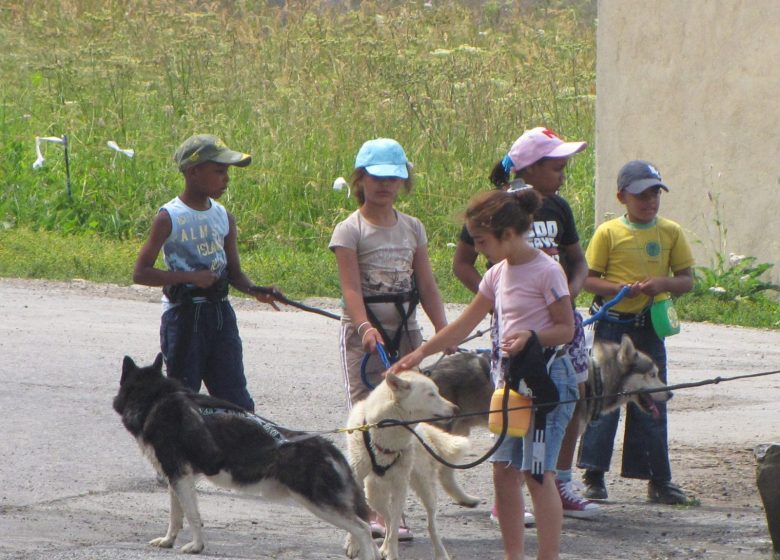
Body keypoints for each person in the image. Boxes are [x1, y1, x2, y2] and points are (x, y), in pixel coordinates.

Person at [393, 187, 576, 560]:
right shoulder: (496, 275)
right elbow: (464, 324)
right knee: (504, 470)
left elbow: (567, 328)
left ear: (508, 235)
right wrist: (420, 353)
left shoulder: (547, 271)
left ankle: (548, 556)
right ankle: (513, 555)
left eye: (481, 241)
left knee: (537, 474)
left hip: (546, 385)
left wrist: (532, 337)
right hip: (508, 385)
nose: (477, 249)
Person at [452, 126, 598, 520]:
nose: (563, 175)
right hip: (518, 330)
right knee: (516, 404)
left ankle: (557, 480)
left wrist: (568, 291)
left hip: (558, 324)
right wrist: (494, 302)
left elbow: (578, 260)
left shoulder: (560, 208)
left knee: (567, 398)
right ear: (529, 169)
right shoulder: (496, 214)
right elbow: (463, 263)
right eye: (556, 167)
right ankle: (515, 489)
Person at [329, 137, 450, 540]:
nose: (385, 185)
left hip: (406, 335)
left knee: (406, 423)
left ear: (404, 182)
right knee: (370, 422)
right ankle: (370, 511)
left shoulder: (412, 227)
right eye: (377, 178)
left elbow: (428, 285)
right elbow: (350, 290)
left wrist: (442, 330)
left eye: (394, 178)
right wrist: (364, 327)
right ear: (360, 180)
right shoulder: (350, 230)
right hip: (362, 338)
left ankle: (395, 509)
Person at [133, 134, 279, 412]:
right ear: (193, 172)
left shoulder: (224, 217)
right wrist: (189, 278)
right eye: (220, 171)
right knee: (183, 398)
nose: (226, 179)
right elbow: (141, 273)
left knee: (235, 399)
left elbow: (235, 274)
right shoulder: (169, 217)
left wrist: (257, 290)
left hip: (221, 315)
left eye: (227, 173)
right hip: (184, 317)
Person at [576, 160, 694, 505]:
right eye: (641, 194)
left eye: (655, 192)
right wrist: (620, 289)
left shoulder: (670, 232)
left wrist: (662, 283)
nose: (650, 200)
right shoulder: (608, 232)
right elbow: (587, 279)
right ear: (622, 196)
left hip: (650, 327)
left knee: (652, 398)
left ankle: (658, 479)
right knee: (601, 398)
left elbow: (687, 280)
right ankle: (593, 475)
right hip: (613, 328)